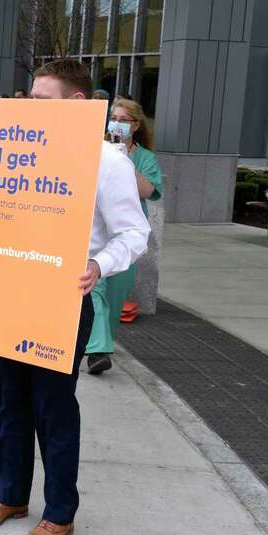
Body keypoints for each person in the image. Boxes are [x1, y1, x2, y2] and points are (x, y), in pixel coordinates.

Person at [0, 59, 149, 535]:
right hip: (10, 291)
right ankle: (10, 496)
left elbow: (134, 233)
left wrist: (99, 265)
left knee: (53, 408)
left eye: (41, 99)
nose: (30, 106)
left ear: (76, 103)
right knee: (10, 400)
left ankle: (59, 513)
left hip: (62, 299)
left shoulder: (107, 162)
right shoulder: (19, 151)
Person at [85, 97, 164, 375]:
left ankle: (101, 341)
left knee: (116, 293)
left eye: (124, 119)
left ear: (136, 125)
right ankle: (97, 349)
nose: (117, 124)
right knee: (95, 287)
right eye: (114, 118)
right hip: (96, 234)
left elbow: (148, 191)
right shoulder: (100, 150)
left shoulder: (144, 158)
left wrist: (125, 161)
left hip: (124, 235)